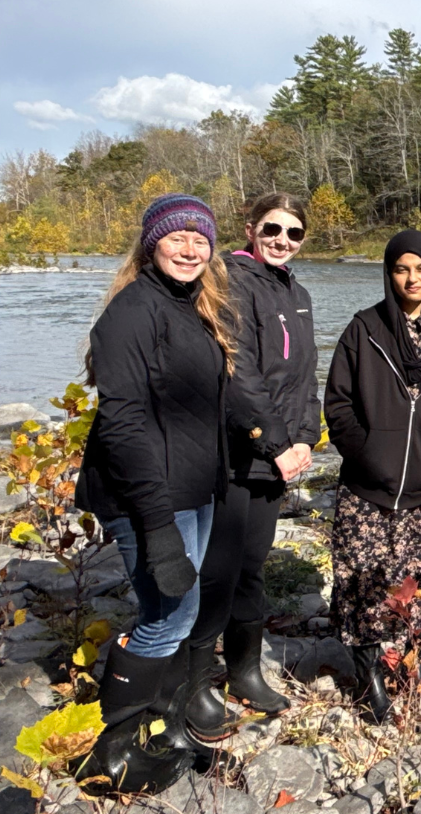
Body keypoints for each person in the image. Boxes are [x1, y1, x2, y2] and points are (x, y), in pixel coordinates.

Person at [73, 194, 233, 793]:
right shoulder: (131, 314)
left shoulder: (193, 307)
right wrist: (157, 524)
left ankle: (162, 725)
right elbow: (122, 424)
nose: (191, 249)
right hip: (149, 495)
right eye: (177, 237)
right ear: (151, 243)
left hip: (192, 487)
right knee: (171, 614)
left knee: (174, 611)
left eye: (201, 239)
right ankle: (110, 753)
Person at [324, 230, 421, 721]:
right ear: (389, 274)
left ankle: (412, 665)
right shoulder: (363, 329)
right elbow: (339, 404)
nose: (413, 279)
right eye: (401, 269)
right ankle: (370, 673)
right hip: (368, 488)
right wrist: (369, 453)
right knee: (367, 582)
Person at [186, 193, 317, 742]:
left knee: (253, 566)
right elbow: (238, 371)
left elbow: (306, 375)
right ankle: (192, 684)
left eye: (293, 233)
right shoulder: (232, 280)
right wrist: (278, 442)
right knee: (219, 570)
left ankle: (243, 668)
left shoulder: (299, 291)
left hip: (277, 459)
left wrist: (308, 436)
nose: (282, 240)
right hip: (237, 454)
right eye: (272, 228)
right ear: (250, 228)